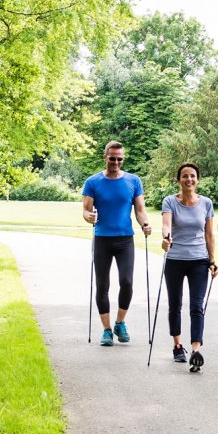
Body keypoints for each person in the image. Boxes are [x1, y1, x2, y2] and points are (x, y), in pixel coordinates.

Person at [81, 141, 152, 347]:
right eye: (112, 158)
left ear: (123, 159)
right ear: (105, 157)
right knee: (102, 284)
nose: (116, 162)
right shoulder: (93, 182)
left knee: (127, 282)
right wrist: (89, 217)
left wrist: (145, 224)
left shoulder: (133, 181)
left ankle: (120, 322)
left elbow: (139, 210)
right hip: (102, 238)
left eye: (119, 159)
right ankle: (106, 330)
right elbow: (86, 210)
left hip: (124, 239)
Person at [159, 162, 218, 372]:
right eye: (185, 176)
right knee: (175, 304)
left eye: (192, 176)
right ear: (179, 180)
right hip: (175, 259)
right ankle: (177, 345)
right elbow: (166, 224)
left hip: (199, 260)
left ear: (197, 179)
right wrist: (166, 237)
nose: (189, 180)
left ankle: (195, 350)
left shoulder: (206, 203)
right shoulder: (169, 201)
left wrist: (212, 260)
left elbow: (209, 234)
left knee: (197, 306)